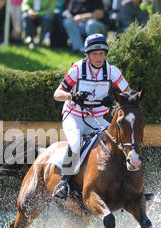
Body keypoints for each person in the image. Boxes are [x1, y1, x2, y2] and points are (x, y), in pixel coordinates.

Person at [52, 33, 131, 200]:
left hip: (96, 119)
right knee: (74, 144)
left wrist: (116, 99)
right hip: (74, 116)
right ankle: (64, 184)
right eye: (95, 53)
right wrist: (72, 97)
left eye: (102, 53)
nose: (99, 57)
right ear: (87, 55)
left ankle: (129, 185)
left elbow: (129, 95)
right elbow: (57, 94)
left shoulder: (112, 71)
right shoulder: (77, 70)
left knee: (119, 142)